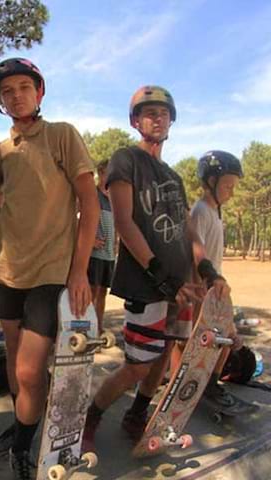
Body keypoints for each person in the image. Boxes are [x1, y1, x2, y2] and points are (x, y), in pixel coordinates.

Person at [82, 86, 230, 454]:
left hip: (180, 285)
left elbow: (189, 231)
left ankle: (137, 415)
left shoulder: (174, 178)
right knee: (136, 365)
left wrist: (208, 270)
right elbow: (124, 221)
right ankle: (92, 415)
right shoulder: (125, 159)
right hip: (147, 283)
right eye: (148, 112)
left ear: (171, 120)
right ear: (135, 121)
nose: (156, 118)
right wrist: (159, 274)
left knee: (163, 358)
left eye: (163, 113)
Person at [0, 58, 99, 480]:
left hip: (53, 269)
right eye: (7, 91)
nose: (16, 95)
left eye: (24, 87)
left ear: (40, 92)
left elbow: (89, 201)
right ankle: (22, 431)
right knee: (16, 364)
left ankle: (24, 443)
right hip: (5, 267)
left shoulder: (62, 135)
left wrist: (80, 269)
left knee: (32, 369)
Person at [193, 150, 244, 403]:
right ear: (211, 182)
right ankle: (191, 384)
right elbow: (196, 252)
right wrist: (206, 283)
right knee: (196, 342)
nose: (231, 192)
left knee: (227, 340)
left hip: (218, 289)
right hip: (203, 289)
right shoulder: (201, 211)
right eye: (227, 186)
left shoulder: (215, 213)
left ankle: (210, 383)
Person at [87, 159, 116, 332]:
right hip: (94, 254)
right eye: (107, 173)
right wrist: (90, 241)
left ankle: (98, 327)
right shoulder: (93, 194)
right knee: (92, 292)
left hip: (109, 254)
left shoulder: (113, 197)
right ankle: (87, 327)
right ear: (100, 173)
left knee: (103, 292)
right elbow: (75, 219)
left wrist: (117, 242)